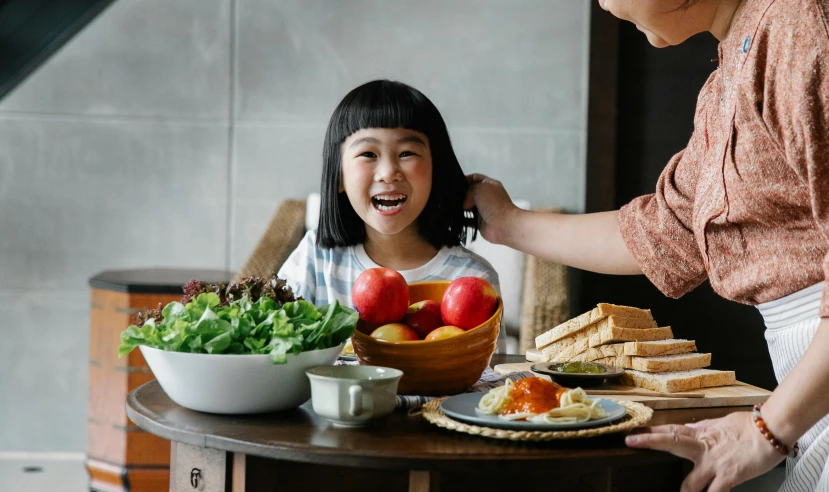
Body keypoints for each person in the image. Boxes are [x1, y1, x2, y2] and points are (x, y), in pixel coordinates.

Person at [464, 0, 829, 490]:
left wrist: (768, 429)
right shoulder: (733, 65)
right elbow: (661, 232)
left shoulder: (799, 23)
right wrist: (506, 223)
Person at [278, 79, 504, 352]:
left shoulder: (473, 277)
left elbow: (487, 381)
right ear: (339, 176)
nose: (388, 172)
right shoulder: (314, 259)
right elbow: (277, 351)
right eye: (368, 153)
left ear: (437, 171)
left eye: (407, 153)